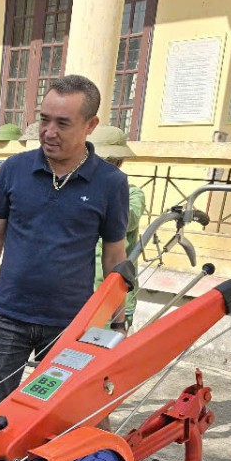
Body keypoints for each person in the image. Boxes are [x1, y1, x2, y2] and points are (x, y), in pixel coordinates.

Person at [0, 75, 129, 406]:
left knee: (63, 409)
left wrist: (118, 321)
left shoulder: (111, 183)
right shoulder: (14, 169)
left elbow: (115, 257)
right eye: (44, 119)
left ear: (90, 125)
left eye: (63, 123)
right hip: (8, 315)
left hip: (70, 321)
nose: (49, 132)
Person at [89, 126, 145, 329]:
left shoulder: (133, 194)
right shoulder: (82, 191)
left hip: (116, 296)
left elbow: (126, 219)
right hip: (82, 293)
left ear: (119, 164)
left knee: (105, 348)